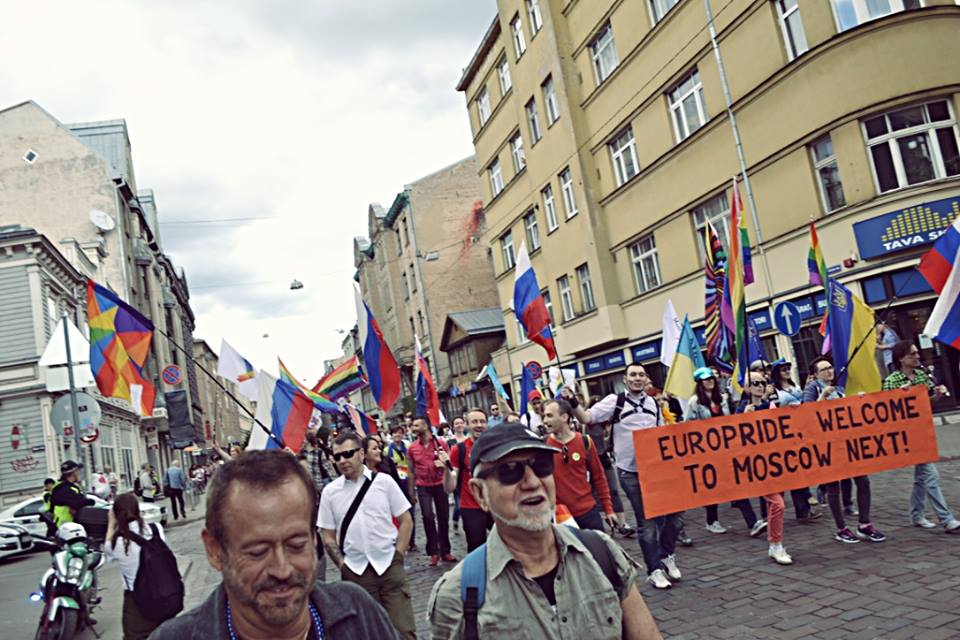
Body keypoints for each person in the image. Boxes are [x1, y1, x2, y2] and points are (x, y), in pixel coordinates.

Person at [428, 423, 663, 639]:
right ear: (480, 493)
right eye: (510, 470)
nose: (532, 482)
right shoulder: (457, 595)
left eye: (541, 466)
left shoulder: (601, 552)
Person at [148, 449, 401, 640]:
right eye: (258, 552)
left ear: (314, 539)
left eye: (296, 545)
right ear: (214, 550)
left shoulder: (358, 613)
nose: (282, 570)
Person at [566, 362, 681, 589]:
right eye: (633, 375)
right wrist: (572, 402)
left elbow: (660, 434)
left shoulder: (653, 403)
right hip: (630, 472)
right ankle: (654, 569)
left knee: (673, 518)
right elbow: (587, 418)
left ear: (646, 378)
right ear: (625, 379)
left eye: (641, 375)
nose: (637, 378)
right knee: (646, 522)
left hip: (656, 471)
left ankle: (666, 554)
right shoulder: (615, 401)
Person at [319, 433, 416, 639]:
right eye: (337, 457)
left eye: (348, 454)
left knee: (404, 629)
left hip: (389, 566)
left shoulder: (384, 482)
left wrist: (398, 556)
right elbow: (327, 535)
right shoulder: (330, 492)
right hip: (356, 572)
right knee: (368, 633)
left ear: (361, 453)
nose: (343, 461)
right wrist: (343, 565)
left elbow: (406, 520)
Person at [803, 356, 885, 543]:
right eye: (824, 369)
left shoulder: (840, 389)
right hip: (827, 444)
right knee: (834, 486)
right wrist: (822, 397)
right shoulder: (812, 389)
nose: (829, 371)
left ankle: (864, 523)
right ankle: (841, 528)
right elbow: (805, 414)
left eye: (830, 367)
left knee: (862, 481)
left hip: (847, 443)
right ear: (815, 374)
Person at [882, 340, 960, 533]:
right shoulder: (893, 380)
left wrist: (938, 396)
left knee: (922, 477)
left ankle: (916, 515)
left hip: (924, 431)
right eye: (912, 354)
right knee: (931, 475)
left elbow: (927, 402)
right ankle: (947, 519)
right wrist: (902, 396)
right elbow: (887, 409)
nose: (917, 356)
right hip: (908, 434)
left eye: (917, 353)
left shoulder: (922, 376)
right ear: (901, 359)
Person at [737, 371, 793, 565]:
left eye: (762, 382)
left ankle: (774, 544)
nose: (760, 386)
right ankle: (776, 545)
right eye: (755, 383)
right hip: (757, 467)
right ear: (746, 387)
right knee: (778, 504)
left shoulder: (771, 405)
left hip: (775, 462)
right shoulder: (742, 409)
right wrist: (744, 419)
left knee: (773, 506)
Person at [543, 399, 618, 531]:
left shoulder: (585, 441)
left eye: (549, 415)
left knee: (598, 550)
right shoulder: (543, 447)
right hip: (561, 517)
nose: (544, 420)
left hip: (588, 513)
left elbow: (599, 477)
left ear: (564, 417)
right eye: (544, 416)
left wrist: (608, 509)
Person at [106, 492, 169, 639]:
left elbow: (107, 552)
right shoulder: (156, 529)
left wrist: (111, 523)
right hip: (163, 594)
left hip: (136, 602)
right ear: (138, 510)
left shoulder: (117, 542)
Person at [769, 360, 822, 522]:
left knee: (803, 470)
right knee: (795, 473)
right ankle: (802, 510)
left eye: (788, 369)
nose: (786, 371)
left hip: (800, 431)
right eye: (783, 369)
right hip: (786, 434)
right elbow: (772, 411)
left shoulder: (796, 386)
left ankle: (805, 507)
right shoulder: (775, 391)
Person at [684, 367, 732, 534]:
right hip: (706, 451)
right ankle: (712, 520)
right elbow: (689, 425)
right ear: (700, 383)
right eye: (706, 379)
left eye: (711, 378)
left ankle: (751, 519)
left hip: (724, 448)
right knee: (713, 486)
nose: (710, 381)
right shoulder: (694, 402)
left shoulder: (723, 399)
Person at [439, 408, 493, 552]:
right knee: (477, 550)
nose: (479, 425)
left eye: (482, 421)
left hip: (496, 505)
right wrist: (446, 468)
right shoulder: (459, 449)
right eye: (474, 421)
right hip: (471, 507)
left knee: (507, 546)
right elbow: (449, 488)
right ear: (467, 425)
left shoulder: (495, 445)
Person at [407, 416, 455, 566]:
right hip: (423, 486)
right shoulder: (412, 448)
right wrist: (411, 492)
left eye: (416, 425)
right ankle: (433, 552)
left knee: (443, 517)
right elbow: (410, 470)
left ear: (426, 426)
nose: (413, 428)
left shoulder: (440, 443)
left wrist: (444, 464)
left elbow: (450, 465)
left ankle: (445, 551)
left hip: (440, 484)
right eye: (413, 426)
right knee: (427, 516)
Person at [585, 411, 635, 538]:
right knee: (593, 495)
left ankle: (622, 524)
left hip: (605, 460)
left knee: (613, 491)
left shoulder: (609, 423)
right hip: (590, 462)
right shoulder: (587, 425)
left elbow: (608, 444)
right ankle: (603, 523)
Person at [386, 425, 417, 553]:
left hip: (407, 481)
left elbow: (411, 465)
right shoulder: (387, 450)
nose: (398, 435)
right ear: (392, 435)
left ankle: (412, 541)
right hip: (396, 482)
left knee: (411, 511)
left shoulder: (408, 448)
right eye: (395, 433)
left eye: (400, 433)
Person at [50, 460, 95, 528]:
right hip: (64, 528)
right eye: (78, 471)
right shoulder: (64, 489)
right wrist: (92, 501)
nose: (79, 473)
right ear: (74, 472)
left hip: (70, 526)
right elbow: (80, 502)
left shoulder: (66, 486)